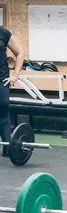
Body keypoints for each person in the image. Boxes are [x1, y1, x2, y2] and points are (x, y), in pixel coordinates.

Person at [0, 26, 25, 156]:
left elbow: (20, 53)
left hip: (1, 80)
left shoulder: (3, 33)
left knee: (2, 112)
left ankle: (7, 146)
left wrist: (15, 74)